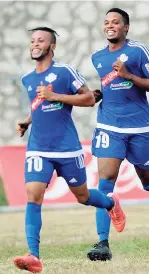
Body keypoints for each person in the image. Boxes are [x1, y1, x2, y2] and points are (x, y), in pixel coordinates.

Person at [13, 27, 125, 273]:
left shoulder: (64, 72)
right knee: (33, 196)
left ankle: (109, 202)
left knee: (83, 197)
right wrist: (27, 121)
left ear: (51, 46)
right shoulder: (28, 79)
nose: (35, 44)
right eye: (32, 40)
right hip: (38, 148)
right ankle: (34, 256)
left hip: (67, 148)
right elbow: (38, 106)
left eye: (41, 40)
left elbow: (87, 99)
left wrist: (55, 95)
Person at [87, 7, 149, 262]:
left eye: (116, 22)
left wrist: (128, 75)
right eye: (107, 22)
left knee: (147, 180)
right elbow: (108, 85)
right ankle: (102, 243)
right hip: (110, 126)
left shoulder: (137, 50)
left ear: (126, 27)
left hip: (140, 128)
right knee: (106, 182)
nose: (110, 25)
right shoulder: (97, 57)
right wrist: (98, 94)